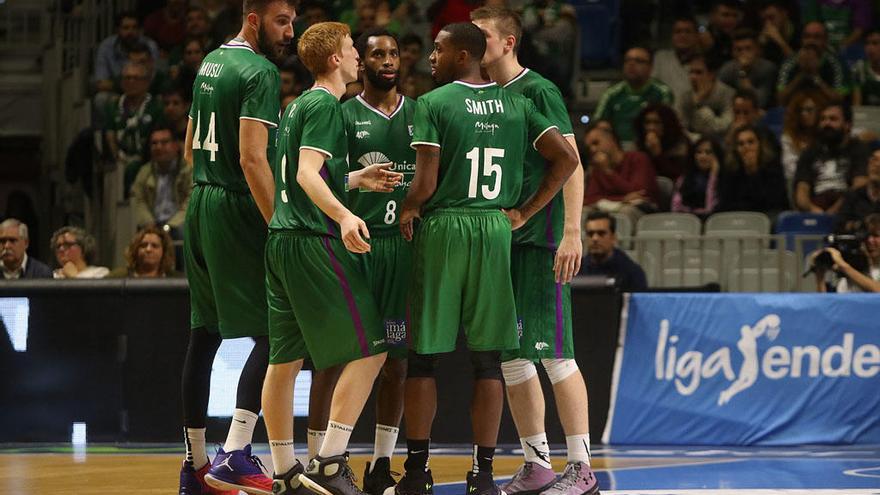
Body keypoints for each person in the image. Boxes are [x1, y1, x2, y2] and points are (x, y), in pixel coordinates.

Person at [392, 21, 578, 495]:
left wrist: (410, 207)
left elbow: (427, 182)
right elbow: (567, 159)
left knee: (424, 359)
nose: (429, 56)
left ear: (461, 55)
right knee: (489, 362)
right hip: (496, 229)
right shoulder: (517, 103)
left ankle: (416, 473)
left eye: (437, 49)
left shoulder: (433, 103)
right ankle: (484, 474)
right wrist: (525, 211)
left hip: (446, 227)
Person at [260, 21, 404, 495]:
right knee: (373, 349)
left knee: (283, 363)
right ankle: (328, 460)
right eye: (351, 49)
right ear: (334, 59)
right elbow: (305, 174)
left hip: (281, 241)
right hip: (310, 242)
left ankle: (283, 473)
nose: (359, 57)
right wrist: (344, 216)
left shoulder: (298, 104)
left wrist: (355, 181)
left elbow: (303, 175)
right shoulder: (325, 104)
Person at [471, 7, 599, 495]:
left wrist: (572, 232)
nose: (474, 42)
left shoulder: (537, 89)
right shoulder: (486, 97)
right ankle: (537, 463)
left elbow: (572, 163)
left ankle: (582, 467)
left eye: (482, 35)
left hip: (541, 242)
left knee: (555, 355)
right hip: (503, 244)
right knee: (513, 359)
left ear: (507, 43)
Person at [177, 1, 296, 494]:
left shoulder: (211, 62)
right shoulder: (260, 71)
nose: (291, 32)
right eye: (281, 21)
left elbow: (188, 147)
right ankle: (237, 450)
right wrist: (279, 224)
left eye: (293, 22)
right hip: (233, 205)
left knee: (203, 336)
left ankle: (196, 466)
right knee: (279, 329)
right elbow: (252, 159)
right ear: (254, 19)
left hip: (200, 203)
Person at [303, 27, 417, 495]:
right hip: (353, 245)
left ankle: (382, 463)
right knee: (334, 357)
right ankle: (321, 458)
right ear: (359, 63)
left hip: (402, 249)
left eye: (394, 52)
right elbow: (320, 177)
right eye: (376, 54)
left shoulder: (420, 114)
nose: (388, 60)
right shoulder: (340, 113)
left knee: (394, 361)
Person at [104, 62, 166, 198]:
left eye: (136, 78)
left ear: (146, 82)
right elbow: (110, 135)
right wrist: (117, 158)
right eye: (127, 78)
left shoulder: (156, 107)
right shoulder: (113, 105)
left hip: (147, 161)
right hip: (119, 161)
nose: (131, 82)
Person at [794, 103, 869, 214]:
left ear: (847, 125)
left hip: (848, 208)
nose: (826, 123)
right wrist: (812, 209)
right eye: (823, 119)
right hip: (816, 208)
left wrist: (835, 210)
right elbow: (802, 189)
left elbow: (859, 186)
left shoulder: (859, 149)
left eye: (833, 119)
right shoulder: (810, 152)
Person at [593, 46, 673, 144]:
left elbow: (668, 125)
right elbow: (598, 123)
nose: (631, 64)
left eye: (638, 61)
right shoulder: (611, 93)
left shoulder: (662, 92)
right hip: (618, 149)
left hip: (649, 147)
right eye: (627, 60)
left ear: (650, 67)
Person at [584, 125, 659, 224]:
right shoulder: (598, 168)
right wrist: (622, 199)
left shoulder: (638, 158)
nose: (593, 149)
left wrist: (608, 172)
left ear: (611, 140)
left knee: (625, 213)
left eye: (596, 143)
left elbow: (639, 193)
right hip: (613, 207)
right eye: (589, 147)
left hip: (642, 211)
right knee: (584, 212)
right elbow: (590, 199)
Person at [130, 127, 192, 231]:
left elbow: (191, 202)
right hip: (152, 226)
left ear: (176, 145)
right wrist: (149, 223)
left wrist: (170, 226)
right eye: (154, 143)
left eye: (164, 142)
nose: (158, 147)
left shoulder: (188, 170)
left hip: (179, 225)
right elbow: (138, 199)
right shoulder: (144, 172)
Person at [718, 124, 789, 214]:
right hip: (739, 220)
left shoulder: (773, 169)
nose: (746, 147)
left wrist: (753, 171)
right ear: (736, 149)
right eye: (741, 144)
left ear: (760, 144)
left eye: (750, 142)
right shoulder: (730, 171)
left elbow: (774, 202)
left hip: (768, 219)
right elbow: (726, 204)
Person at [776, 22, 851, 105]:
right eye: (807, 37)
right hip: (796, 110)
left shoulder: (836, 63)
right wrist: (802, 75)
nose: (811, 41)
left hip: (826, 112)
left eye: (817, 37)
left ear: (825, 40)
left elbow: (839, 101)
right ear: (802, 40)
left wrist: (815, 77)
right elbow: (781, 99)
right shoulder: (790, 63)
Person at [578, 211, 647, 291]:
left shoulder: (632, 272)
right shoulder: (576, 270)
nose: (595, 238)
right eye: (590, 234)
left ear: (613, 237)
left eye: (601, 233)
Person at [812, 213, 880, 293]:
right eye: (866, 236)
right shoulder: (853, 270)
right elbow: (825, 304)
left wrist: (844, 266)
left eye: (876, 236)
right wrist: (820, 278)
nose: (870, 241)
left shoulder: (847, 269)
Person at [94, 11, 160, 93]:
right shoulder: (106, 46)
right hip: (116, 93)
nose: (130, 32)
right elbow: (101, 83)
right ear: (117, 30)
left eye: (134, 28)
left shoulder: (150, 46)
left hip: (146, 92)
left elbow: (152, 79)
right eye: (126, 28)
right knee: (101, 98)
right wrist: (128, 86)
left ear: (139, 30)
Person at [718, 28, 778, 109]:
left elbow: (759, 102)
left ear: (757, 50)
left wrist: (743, 71)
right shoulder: (728, 68)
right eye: (739, 49)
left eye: (748, 48)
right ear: (733, 52)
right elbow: (718, 96)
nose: (743, 53)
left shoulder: (767, 68)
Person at [679, 54, 735, 139]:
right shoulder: (686, 96)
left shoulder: (728, 94)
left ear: (711, 74)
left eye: (698, 72)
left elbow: (724, 127)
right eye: (691, 72)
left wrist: (699, 106)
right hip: (694, 141)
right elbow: (682, 126)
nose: (693, 77)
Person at [781, 90, 827, 190]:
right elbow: (790, 170)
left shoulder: (827, 134)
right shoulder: (788, 138)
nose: (804, 114)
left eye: (809, 110)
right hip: (797, 184)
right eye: (800, 110)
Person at [652, 16, 702, 104]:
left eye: (688, 32)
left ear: (696, 36)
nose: (683, 35)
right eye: (678, 32)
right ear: (672, 36)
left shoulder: (704, 62)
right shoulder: (660, 58)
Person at [633, 103, 690, 180]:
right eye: (647, 122)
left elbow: (678, 177)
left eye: (657, 123)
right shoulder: (638, 143)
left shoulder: (680, 143)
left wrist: (658, 154)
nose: (651, 127)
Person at [671, 137, 722, 217]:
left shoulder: (723, 179)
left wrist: (713, 176)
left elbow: (710, 210)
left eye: (708, 152)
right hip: (686, 221)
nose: (703, 156)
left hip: (711, 222)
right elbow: (675, 208)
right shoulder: (685, 177)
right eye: (699, 152)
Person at [107, 226, 178, 278]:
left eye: (154, 246)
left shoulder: (177, 280)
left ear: (164, 251)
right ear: (135, 249)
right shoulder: (117, 277)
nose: (148, 249)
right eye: (143, 245)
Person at [837, 149, 880, 233]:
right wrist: (862, 224)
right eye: (874, 160)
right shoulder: (853, 196)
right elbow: (840, 227)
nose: (877, 165)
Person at [802, 0, 872, 51]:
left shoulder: (861, 2)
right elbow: (812, 28)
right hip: (821, 48)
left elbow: (859, 30)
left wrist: (841, 46)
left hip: (851, 51)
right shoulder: (814, 2)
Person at [758, 0, 799, 66]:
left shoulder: (800, 32)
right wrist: (760, 46)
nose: (768, 24)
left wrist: (780, 41)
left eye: (771, 18)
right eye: (764, 20)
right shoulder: (767, 39)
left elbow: (798, 64)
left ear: (784, 14)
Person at [852, 28, 880, 106]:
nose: (870, 48)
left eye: (875, 43)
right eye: (867, 43)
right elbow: (857, 105)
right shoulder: (859, 69)